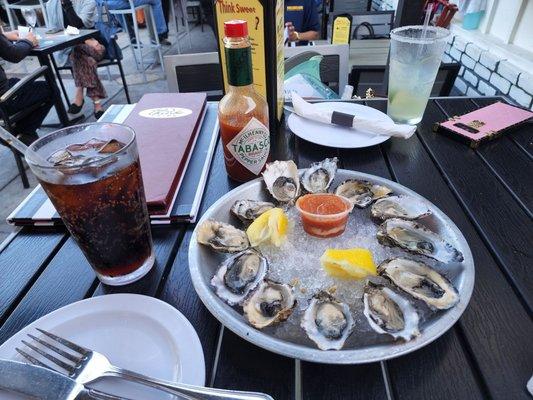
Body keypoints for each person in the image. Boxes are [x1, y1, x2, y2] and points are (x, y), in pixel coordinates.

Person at [46, 0, 108, 118]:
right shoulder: (51, 4)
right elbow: (53, 32)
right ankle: (97, 103)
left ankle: (79, 92)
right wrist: (85, 41)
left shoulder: (87, 1)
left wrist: (67, 4)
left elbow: (78, 24)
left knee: (78, 53)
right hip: (70, 49)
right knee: (85, 59)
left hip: (96, 47)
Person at [0, 30, 52, 144]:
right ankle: (22, 133)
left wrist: (4, 36)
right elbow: (14, 54)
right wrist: (29, 41)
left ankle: (20, 135)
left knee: (19, 83)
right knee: (50, 88)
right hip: (4, 101)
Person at [106, 0, 170, 45]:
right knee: (156, 1)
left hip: (107, 4)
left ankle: (131, 34)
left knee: (119, 10)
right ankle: (160, 32)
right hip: (124, 2)